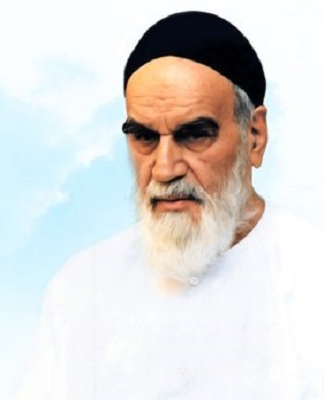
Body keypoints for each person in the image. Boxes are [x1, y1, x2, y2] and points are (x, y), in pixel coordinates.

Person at [17, 11, 324, 399]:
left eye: (194, 135)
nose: (164, 169)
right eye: (144, 137)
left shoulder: (313, 276)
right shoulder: (81, 288)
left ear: (254, 136)